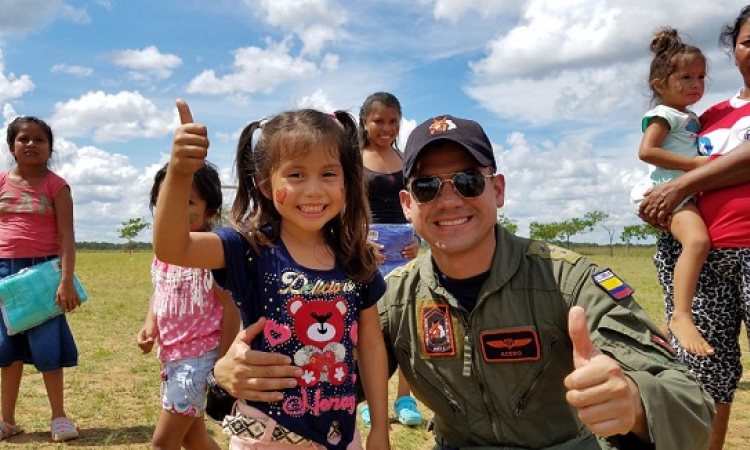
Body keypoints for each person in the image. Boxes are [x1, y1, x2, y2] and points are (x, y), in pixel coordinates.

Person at [211, 113, 715, 449]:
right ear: (408, 205)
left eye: (468, 181)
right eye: (427, 187)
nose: (448, 200)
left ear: (496, 189)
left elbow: (689, 403)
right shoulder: (395, 299)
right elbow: (333, 381)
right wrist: (227, 381)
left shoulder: (570, 281)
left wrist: (633, 402)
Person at [153, 99, 391, 450]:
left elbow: (370, 344)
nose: (313, 189)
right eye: (295, 175)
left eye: (328, 173)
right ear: (265, 184)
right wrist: (179, 172)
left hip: (342, 436)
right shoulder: (247, 248)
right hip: (263, 437)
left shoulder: (355, 257)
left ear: (346, 180)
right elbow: (174, 248)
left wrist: (380, 430)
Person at [639, 6, 750, 449]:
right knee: (705, 372)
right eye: (748, 42)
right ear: (735, 49)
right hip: (708, 257)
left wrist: (680, 184)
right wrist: (662, 204)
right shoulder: (710, 115)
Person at [136, 162, 240, 450]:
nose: (175, 210)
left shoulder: (211, 251)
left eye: (188, 202)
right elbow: (160, 290)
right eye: (167, 201)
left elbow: (231, 310)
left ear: (210, 208)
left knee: (164, 441)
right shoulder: (163, 252)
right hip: (173, 355)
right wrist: (150, 325)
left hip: (199, 360)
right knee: (192, 438)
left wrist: (221, 362)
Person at [630, 27, 713, 356]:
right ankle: (680, 315)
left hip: (680, 191)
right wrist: (695, 166)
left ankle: (665, 332)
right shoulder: (663, 115)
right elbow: (646, 151)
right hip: (666, 190)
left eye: (701, 77)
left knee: (690, 249)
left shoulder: (689, 117)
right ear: (659, 85)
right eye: (686, 78)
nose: (696, 85)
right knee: (698, 241)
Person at [0, 116, 81, 442]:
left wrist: (66, 281)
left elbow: (67, 237)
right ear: (12, 147)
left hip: (44, 276)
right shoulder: (2, 182)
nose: (31, 144)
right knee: (7, 352)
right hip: (4, 274)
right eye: (23, 139)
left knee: (48, 349)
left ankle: (59, 418)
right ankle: (6, 420)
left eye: (39, 139)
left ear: (50, 148)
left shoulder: (56, 186)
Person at [357, 92, 423, 427]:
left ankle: (404, 399)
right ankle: (369, 399)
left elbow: (416, 204)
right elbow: (345, 208)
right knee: (370, 330)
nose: (387, 127)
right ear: (365, 121)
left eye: (393, 121)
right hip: (367, 253)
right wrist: (359, 245)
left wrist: (418, 241)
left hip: (405, 253)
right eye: (379, 121)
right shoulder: (352, 159)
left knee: (406, 328)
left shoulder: (406, 158)